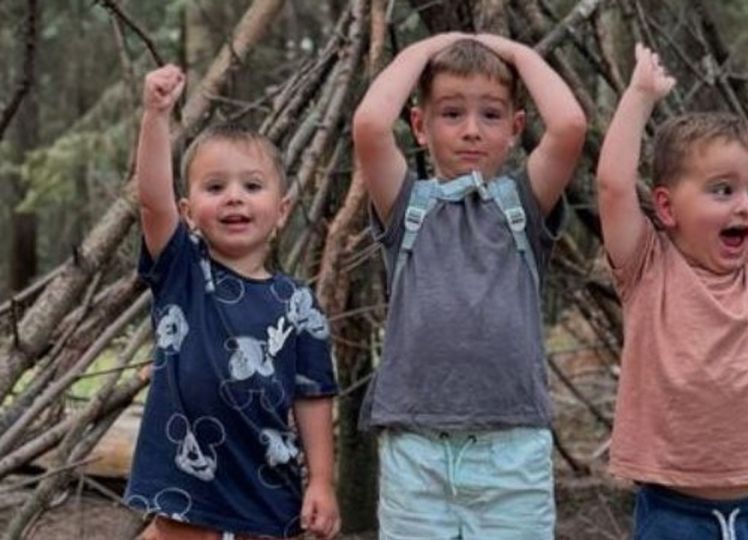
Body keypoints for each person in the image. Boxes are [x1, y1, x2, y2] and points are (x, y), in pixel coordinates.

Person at [596, 24, 748, 539]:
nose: (746, 206)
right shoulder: (647, 267)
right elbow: (614, 188)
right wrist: (638, 97)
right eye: (722, 190)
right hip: (672, 511)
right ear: (665, 206)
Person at [352, 32, 586, 539]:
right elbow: (369, 126)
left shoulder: (522, 206)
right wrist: (428, 48)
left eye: (492, 115)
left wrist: (519, 53)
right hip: (416, 448)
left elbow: (569, 127)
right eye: (451, 113)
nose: (472, 131)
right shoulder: (406, 205)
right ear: (420, 125)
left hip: (513, 447)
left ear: (515, 129)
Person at [125, 64, 341, 540]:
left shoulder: (298, 303)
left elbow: (313, 394)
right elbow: (152, 203)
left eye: (252, 186)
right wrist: (156, 116)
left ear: (282, 210)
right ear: (188, 212)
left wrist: (322, 481)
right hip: (183, 476)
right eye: (215, 187)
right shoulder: (183, 269)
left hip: (264, 478)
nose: (234, 199)